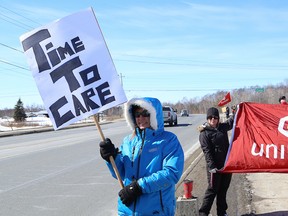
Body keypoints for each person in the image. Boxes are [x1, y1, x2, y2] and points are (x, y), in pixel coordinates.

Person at [99, 97, 184, 216]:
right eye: (137, 115)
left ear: (154, 116)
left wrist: (139, 187)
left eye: (145, 114)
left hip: (156, 211)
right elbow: (121, 174)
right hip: (127, 211)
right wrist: (111, 158)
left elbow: (172, 173)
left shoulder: (168, 140)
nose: (141, 118)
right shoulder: (128, 141)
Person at [198, 107, 234, 216]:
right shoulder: (204, 134)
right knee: (212, 190)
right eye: (210, 117)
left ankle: (222, 212)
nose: (213, 119)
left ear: (218, 118)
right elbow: (207, 152)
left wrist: (238, 110)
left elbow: (231, 122)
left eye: (215, 117)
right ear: (207, 119)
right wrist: (212, 166)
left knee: (223, 190)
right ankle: (203, 212)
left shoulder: (222, 127)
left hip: (226, 165)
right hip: (214, 168)